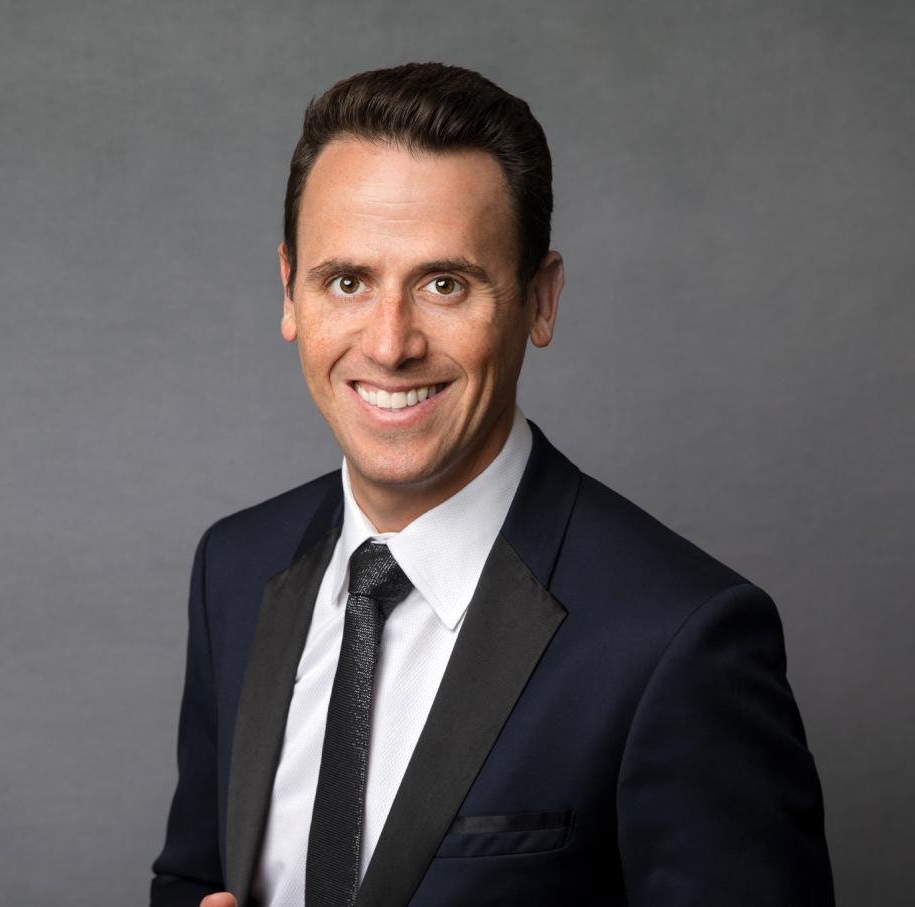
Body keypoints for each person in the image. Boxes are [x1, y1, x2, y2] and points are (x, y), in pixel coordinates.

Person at [149, 62, 834, 906]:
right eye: (348, 281)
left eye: (445, 284)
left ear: (540, 301)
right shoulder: (234, 566)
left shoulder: (678, 638)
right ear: (290, 290)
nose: (390, 344)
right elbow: (192, 875)